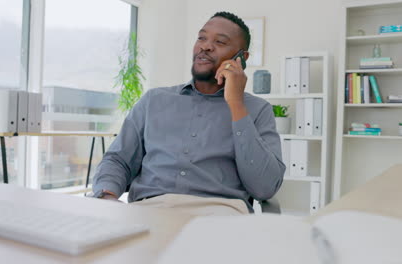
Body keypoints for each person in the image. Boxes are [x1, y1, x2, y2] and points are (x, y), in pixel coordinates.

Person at [92, 11, 285, 216]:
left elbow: (265, 187)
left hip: (219, 217)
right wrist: (107, 196)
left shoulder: (257, 110)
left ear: (241, 58)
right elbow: (118, 160)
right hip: (149, 212)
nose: (205, 46)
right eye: (201, 38)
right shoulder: (153, 100)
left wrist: (236, 103)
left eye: (220, 41)